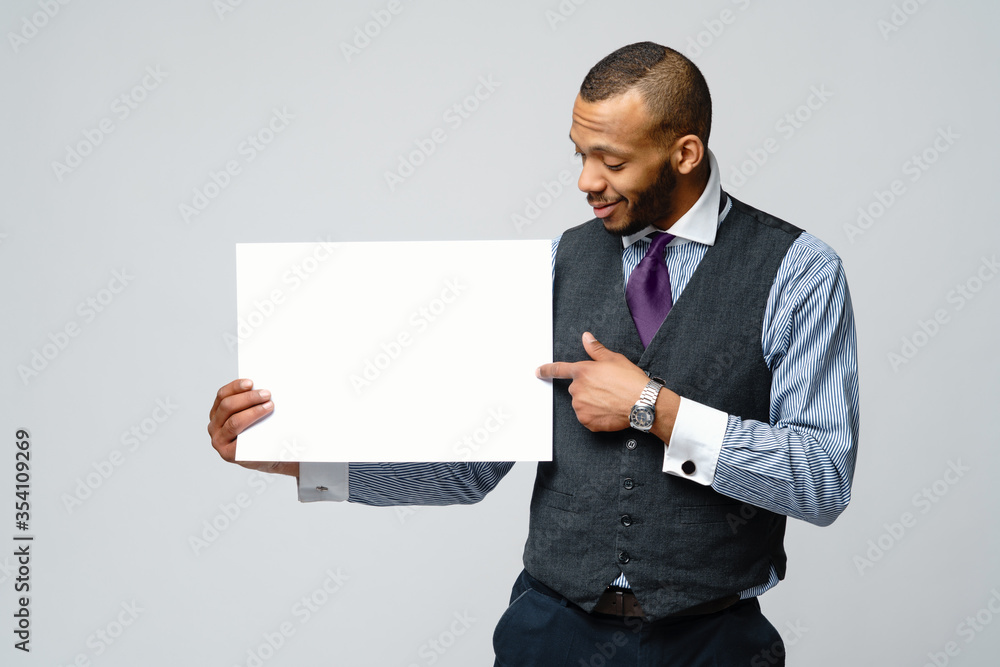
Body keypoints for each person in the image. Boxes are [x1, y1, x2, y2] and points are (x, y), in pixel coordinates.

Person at [209, 42, 858, 666]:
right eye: (579, 154)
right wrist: (292, 455)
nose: (585, 181)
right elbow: (469, 468)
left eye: (610, 160)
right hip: (548, 636)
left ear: (684, 153)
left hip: (715, 643)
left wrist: (653, 408)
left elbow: (822, 478)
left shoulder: (799, 272)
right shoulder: (555, 264)